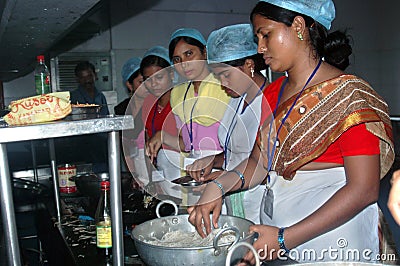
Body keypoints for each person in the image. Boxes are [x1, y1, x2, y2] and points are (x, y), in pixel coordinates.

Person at [188, 0, 395, 264]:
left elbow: (363, 189)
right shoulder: (273, 94)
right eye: (257, 37)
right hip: (278, 238)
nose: (260, 47)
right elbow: (257, 163)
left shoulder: (348, 97)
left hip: (334, 245)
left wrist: (286, 238)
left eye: (266, 34)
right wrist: (217, 187)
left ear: (298, 26)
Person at [186, 24, 271, 224]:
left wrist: (224, 182)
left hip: (260, 205)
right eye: (217, 77)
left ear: (249, 65)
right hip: (234, 199)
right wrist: (214, 161)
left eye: (226, 75)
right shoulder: (235, 100)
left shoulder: (271, 102)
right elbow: (237, 151)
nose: (222, 83)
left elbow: (270, 166)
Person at [146, 28, 231, 168]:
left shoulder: (225, 85)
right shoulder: (178, 94)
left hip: (224, 166)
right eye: (177, 59)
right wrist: (162, 136)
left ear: (204, 52)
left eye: (189, 54)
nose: (184, 64)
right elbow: (187, 144)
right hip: (195, 167)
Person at [140, 46, 181, 185]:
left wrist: (163, 137)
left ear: (171, 74)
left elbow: (190, 144)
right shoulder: (148, 103)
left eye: (159, 77)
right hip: (159, 172)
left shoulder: (182, 100)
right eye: (148, 79)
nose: (153, 84)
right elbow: (147, 137)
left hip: (182, 170)